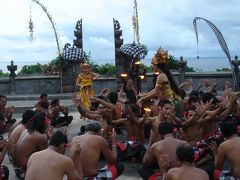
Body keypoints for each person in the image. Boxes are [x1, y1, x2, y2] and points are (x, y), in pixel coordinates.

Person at [137, 48, 182, 117]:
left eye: (152, 64)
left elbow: (155, 93)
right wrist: (143, 96)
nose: (151, 66)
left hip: (170, 104)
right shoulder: (163, 75)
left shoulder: (161, 76)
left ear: (156, 65)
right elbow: (155, 89)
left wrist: (142, 99)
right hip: (169, 102)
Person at [11, 112, 51, 179]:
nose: (49, 123)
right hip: (24, 172)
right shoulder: (40, 137)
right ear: (42, 123)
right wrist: (51, 139)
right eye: (47, 121)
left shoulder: (26, 130)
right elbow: (47, 156)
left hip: (17, 169)